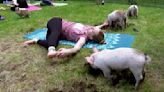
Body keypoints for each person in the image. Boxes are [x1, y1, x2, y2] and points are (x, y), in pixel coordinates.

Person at [23, 17, 105, 58]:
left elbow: (77, 48)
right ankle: (51, 50)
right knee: (55, 34)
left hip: (55, 34)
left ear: (90, 37)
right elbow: (98, 27)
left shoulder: (83, 38)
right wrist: (104, 25)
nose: (92, 28)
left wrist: (68, 51)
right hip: (57, 22)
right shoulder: (88, 28)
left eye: (93, 30)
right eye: (93, 27)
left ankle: (35, 40)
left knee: (52, 41)